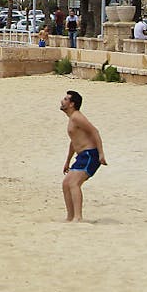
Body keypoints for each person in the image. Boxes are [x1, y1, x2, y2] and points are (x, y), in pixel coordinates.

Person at [59, 90, 107, 222]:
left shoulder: (77, 117)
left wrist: (101, 154)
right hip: (82, 156)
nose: (62, 101)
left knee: (74, 183)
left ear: (72, 104)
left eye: (66, 99)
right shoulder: (71, 119)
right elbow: (73, 142)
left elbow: (95, 131)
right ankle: (70, 217)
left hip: (90, 154)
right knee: (66, 184)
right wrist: (67, 161)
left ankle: (78, 217)